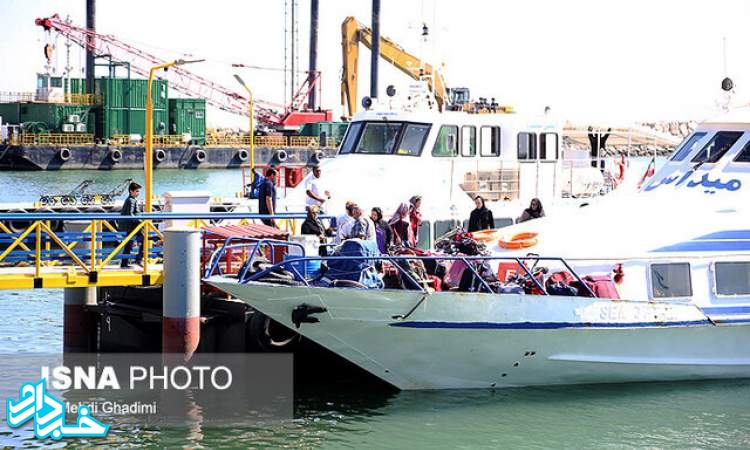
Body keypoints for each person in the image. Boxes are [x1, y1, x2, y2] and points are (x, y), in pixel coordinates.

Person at [119, 182, 143, 268]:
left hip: (130, 226)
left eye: (138, 191)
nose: (138, 193)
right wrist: (140, 222)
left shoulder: (131, 200)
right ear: (131, 191)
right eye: (136, 191)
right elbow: (131, 215)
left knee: (129, 244)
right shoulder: (131, 200)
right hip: (131, 226)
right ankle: (138, 259)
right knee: (143, 238)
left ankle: (124, 263)